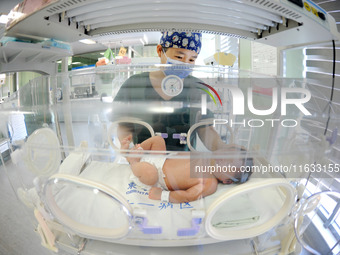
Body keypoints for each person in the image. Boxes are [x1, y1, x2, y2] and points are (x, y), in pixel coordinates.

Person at [111, 31, 232, 152]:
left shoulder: (198, 88)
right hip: (144, 158)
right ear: (159, 51)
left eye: (191, 60)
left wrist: (221, 148)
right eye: (179, 57)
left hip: (183, 161)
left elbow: (205, 129)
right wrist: (127, 146)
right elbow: (124, 124)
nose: (184, 64)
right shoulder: (134, 85)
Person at [121, 135, 253, 203]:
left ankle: (133, 161)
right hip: (161, 159)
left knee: (150, 174)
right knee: (158, 140)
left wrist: (163, 195)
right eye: (226, 153)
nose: (223, 159)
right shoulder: (206, 157)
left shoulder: (209, 183)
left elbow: (188, 196)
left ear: (227, 181)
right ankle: (130, 152)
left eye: (228, 164)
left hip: (158, 176)